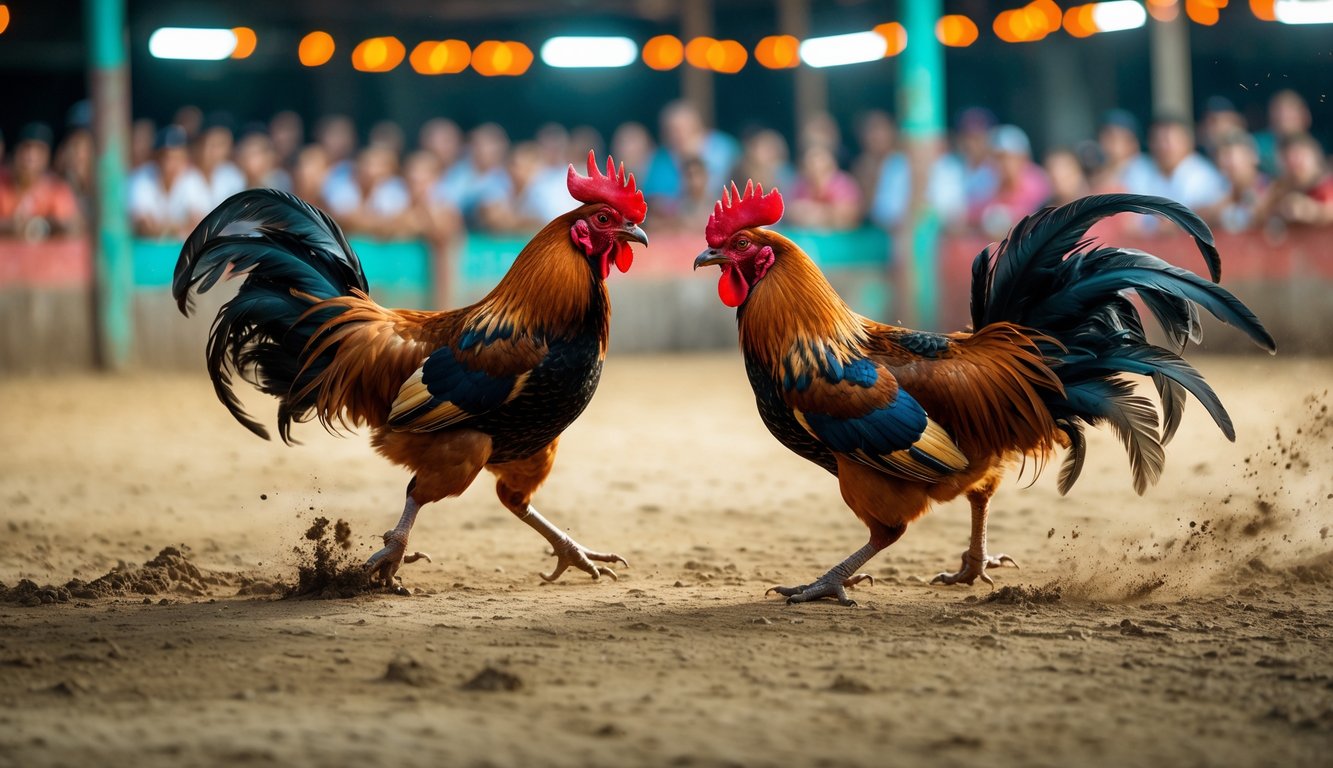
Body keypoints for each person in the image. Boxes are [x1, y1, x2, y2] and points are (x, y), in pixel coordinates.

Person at [642, 100, 738, 207]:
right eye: (671, 130)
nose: (678, 134)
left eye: (682, 127)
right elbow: (654, 196)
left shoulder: (724, 148)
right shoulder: (660, 161)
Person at [1124, 114, 1226, 212]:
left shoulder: (1204, 175)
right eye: (1157, 139)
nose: (1163, 146)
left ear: (1187, 142)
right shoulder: (1138, 167)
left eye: (1168, 140)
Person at [0, 122, 83, 240]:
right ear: (15, 152)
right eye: (26, 148)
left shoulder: (56, 188)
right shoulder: (2, 183)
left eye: (38, 151)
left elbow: (71, 225)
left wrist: (41, 225)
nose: (30, 157)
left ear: (47, 156)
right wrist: (13, 227)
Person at [127, 124, 210, 239]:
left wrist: (164, 227)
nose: (169, 164)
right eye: (165, 157)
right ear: (155, 157)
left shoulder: (193, 179)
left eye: (176, 157)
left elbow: (200, 224)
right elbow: (144, 226)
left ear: (185, 158)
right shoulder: (141, 178)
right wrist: (179, 227)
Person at [968, 124, 1050, 238]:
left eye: (1007, 157)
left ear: (1023, 157)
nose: (1002, 164)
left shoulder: (1038, 183)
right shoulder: (985, 182)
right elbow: (971, 220)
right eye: (996, 158)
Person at [324, 144, 409, 237]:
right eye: (366, 164)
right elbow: (343, 218)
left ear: (390, 170)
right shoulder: (344, 186)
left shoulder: (396, 190)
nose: (370, 170)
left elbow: (399, 223)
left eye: (378, 165)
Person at [1257, 133, 1333, 229]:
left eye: (1299, 156)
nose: (1295, 165)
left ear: (1314, 156)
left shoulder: (1327, 185)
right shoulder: (1280, 189)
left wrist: (1313, 212)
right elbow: (1259, 217)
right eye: (1289, 159)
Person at [784, 144, 862, 231]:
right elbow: (790, 211)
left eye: (822, 169)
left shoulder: (843, 185)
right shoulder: (802, 185)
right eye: (811, 168)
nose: (816, 174)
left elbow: (848, 215)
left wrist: (817, 211)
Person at [1201, 131, 1267, 233]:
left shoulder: (1271, 189)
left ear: (1252, 157)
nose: (1225, 163)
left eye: (1229, 156)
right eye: (1222, 157)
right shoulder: (1220, 189)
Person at [1255, 89, 1318, 178]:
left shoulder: (1311, 147)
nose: (1283, 117)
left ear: (1304, 116)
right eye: (1279, 111)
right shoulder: (1256, 145)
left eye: (1290, 112)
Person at [1091, 109, 1153, 193]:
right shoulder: (1095, 168)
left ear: (1133, 143)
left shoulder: (1145, 170)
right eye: (1104, 136)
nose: (1107, 142)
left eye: (1113, 137)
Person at [194, 116, 245, 207]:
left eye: (219, 145)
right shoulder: (186, 174)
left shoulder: (233, 175)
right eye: (209, 143)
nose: (212, 151)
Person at [234, 127, 291, 192]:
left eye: (254, 153)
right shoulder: (234, 183)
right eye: (246, 153)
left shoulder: (281, 182)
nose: (248, 159)